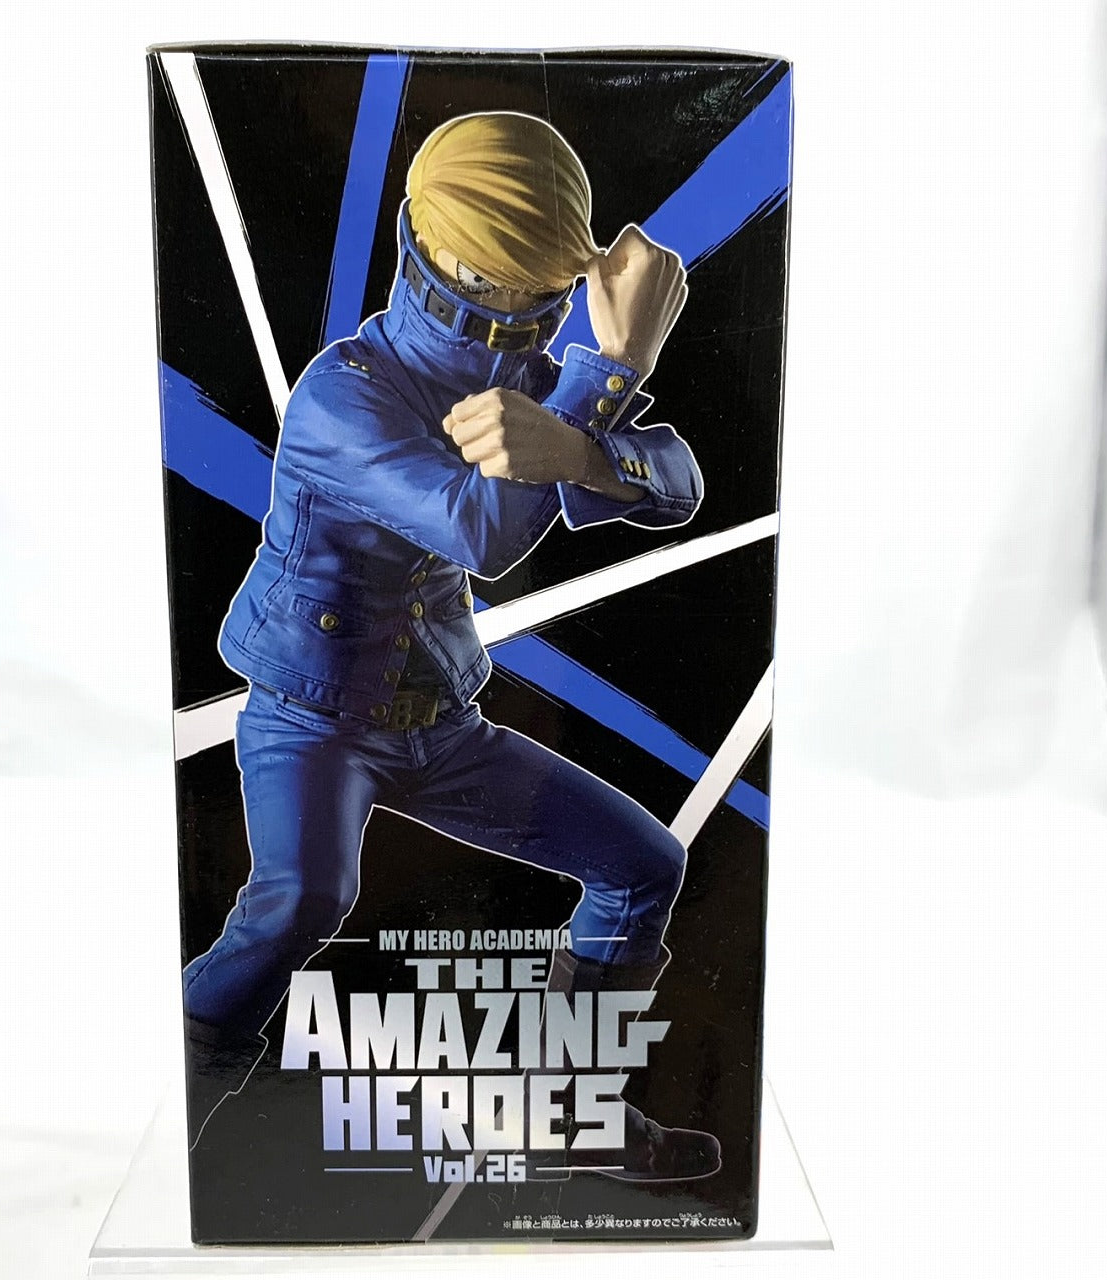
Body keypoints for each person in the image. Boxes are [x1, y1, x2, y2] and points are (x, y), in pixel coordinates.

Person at [183, 111, 717, 1180]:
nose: (515, 307)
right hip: (315, 720)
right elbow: (482, 532)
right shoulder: (341, 393)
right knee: (301, 899)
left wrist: (587, 427)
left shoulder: (541, 388)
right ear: (426, 252)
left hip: (439, 722)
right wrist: (600, 379)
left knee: (643, 867)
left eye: (537, 286)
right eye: (492, 280)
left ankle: (570, 1112)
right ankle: (174, 1100)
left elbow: (677, 487)